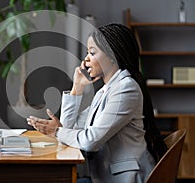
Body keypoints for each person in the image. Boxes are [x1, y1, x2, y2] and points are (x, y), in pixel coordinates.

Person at [27, 23, 167, 183]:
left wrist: (57, 131)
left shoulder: (125, 90)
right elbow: (70, 129)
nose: (86, 59)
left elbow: (89, 141)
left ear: (112, 56)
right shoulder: (106, 90)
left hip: (125, 179)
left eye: (92, 53)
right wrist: (77, 88)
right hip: (104, 177)